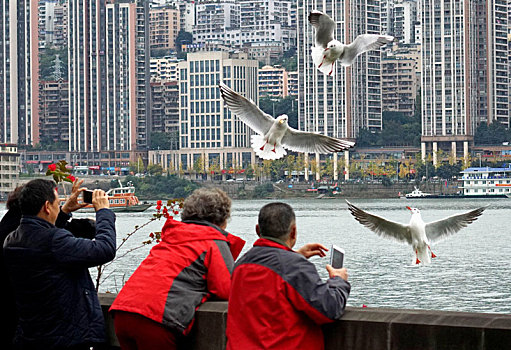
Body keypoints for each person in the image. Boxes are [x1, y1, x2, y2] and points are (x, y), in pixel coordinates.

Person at [110, 187, 245, 350]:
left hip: (123, 313)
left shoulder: (172, 236)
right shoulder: (213, 241)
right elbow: (226, 290)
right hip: (156, 319)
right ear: (222, 219)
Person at [3, 179, 116, 350]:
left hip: (33, 335)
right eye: (58, 202)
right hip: (69, 338)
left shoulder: (12, 240)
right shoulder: (55, 242)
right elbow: (104, 249)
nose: (59, 206)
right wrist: (104, 212)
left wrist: (63, 213)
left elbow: (42, 236)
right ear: (47, 206)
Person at [226, 202, 351, 350]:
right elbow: (329, 308)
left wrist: (294, 255)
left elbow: (270, 273)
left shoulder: (240, 265)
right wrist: (338, 280)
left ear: (258, 230)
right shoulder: (294, 267)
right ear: (293, 231)